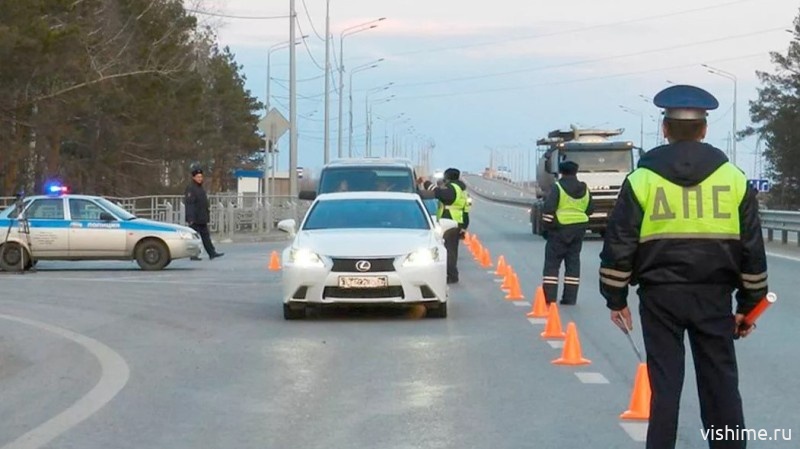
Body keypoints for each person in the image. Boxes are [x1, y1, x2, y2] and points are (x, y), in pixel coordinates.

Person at [598, 84, 768, 449]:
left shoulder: (641, 179)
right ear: (704, 130)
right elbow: (752, 250)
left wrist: (616, 298)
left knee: (665, 387)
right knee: (721, 386)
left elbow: (620, 243)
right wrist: (749, 306)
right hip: (714, 297)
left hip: (660, 298)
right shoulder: (734, 179)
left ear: (665, 129)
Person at [540, 160, 594, 305]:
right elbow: (590, 209)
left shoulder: (558, 187)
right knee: (573, 263)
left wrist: (547, 229)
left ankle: (549, 298)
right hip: (579, 230)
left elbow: (548, 210)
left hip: (559, 230)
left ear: (561, 172)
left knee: (552, 264)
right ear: (576, 172)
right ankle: (570, 298)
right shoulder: (585, 189)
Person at [419, 168, 468, 283]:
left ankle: (452, 275)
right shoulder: (461, 189)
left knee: (448, 251)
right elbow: (465, 211)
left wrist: (426, 182)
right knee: (451, 250)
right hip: (456, 221)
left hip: (449, 222)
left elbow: (438, 193)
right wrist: (464, 226)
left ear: (447, 177)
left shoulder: (452, 188)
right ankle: (451, 274)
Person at [184, 167, 224, 260]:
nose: (200, 178)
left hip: (202, 217)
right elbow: (189, 204)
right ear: (194, 177)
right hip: (194, 218)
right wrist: (190, 218)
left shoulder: (200, 188)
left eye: (201, 177)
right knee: (194, 238)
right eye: (198, 177)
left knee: (206, 236)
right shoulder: (191, 188)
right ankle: (193, 255)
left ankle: (212, 253)